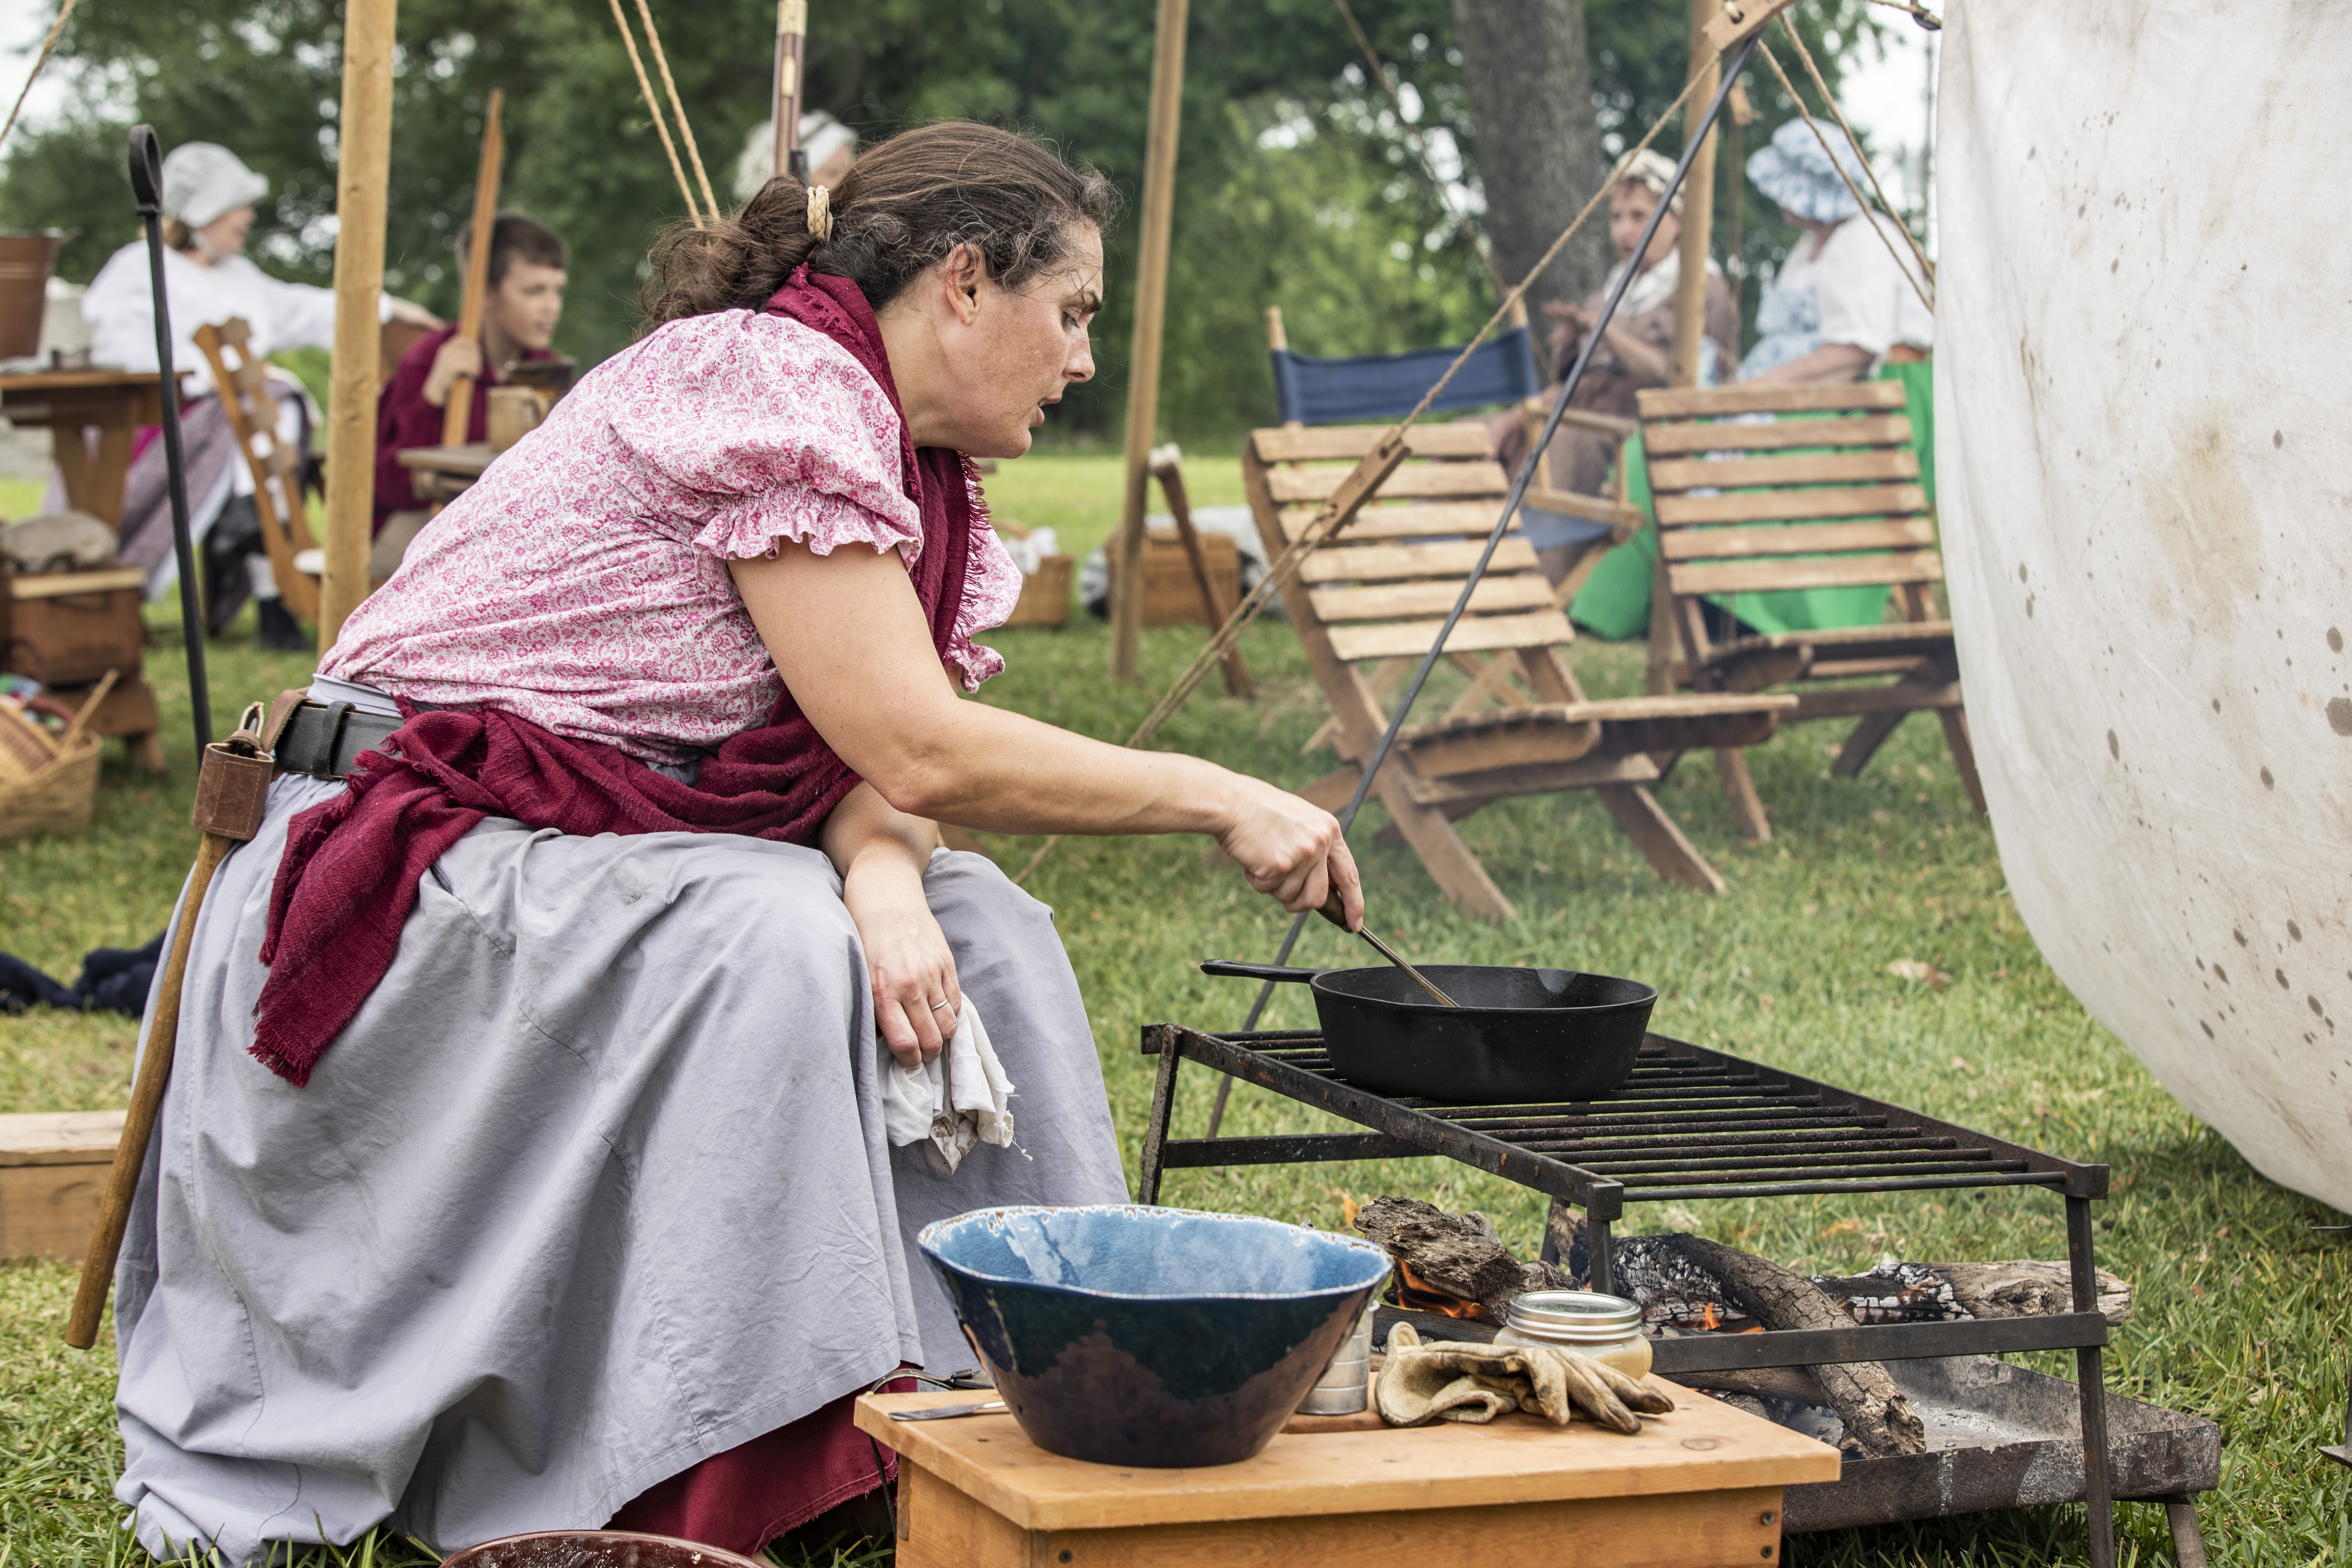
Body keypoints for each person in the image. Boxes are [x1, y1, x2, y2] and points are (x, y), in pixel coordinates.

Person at [109, 121, 1362, 1564]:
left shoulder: (907, 464)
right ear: (964, 281)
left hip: (605, 822)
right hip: (420, 850)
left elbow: (861, 757)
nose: (1082, 358)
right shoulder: (775, 385)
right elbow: (913, 740)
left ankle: (998, 1397)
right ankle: (707, 1464)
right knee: (768, 938)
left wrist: (889, 881)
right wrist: (1217, 790)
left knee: (988, 933)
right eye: (1070, 311)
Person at [80, 141, 439, 647]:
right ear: (202, 208)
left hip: (247, 427)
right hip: (156, 435)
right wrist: (216, 382)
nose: (248, 216)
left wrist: (388, 308)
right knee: (259, 409)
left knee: (268, 406)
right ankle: (268, 585)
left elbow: (304, 309)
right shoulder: (138, 269)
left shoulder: (239, 277)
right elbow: (124, 357)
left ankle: (255, 544)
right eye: (236, 204)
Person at [1500, 149, 1736, 585]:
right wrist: (1571, 342)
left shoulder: (1701, 287)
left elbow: (1675, 376)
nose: (1624, 231)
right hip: (1584, 414)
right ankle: (1425, 567)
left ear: (1679, 221)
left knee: (1560, 441)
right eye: (1617, 217)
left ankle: (1530, 586)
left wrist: (1603, 330)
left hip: (1637, 428)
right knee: (1485, 432)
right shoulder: (1616, 288)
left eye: (1640, 216)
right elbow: (1567, 381)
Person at [371, 211, 568, 579]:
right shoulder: (428, 361)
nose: (551, 306)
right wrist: (432, 398)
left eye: (557, 290)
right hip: (415, 527)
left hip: (494, 529)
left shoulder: (545, 369)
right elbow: (386, 487)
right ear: (486, 295)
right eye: (534, 291)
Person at [1738, 118, 1933, 383]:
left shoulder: (1863, 238)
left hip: (1873, 397)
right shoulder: (1810, 244)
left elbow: (1855, 353)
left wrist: (1765, 384)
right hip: (1810, 394)